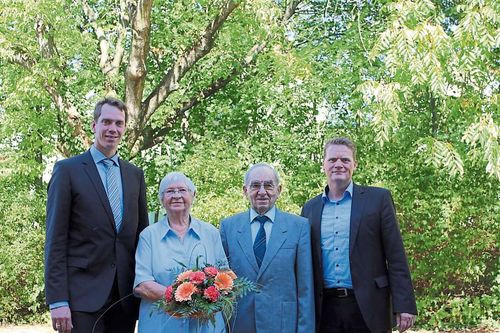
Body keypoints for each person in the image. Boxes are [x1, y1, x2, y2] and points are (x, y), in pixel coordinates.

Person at [44, 97, 149, 333]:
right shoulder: (68, 171)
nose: (113, 129)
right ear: (94, 125)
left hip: (124, 299)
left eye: (119, 123)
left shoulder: (135, 176)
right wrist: (58, 300)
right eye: (106, 122)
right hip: (81, 298)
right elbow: (55, 240)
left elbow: (142, 238)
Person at [301, 137, 417, 333]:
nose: (339, 164)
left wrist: (404, 304)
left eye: (345, 160)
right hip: (324, 309)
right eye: (332, 160)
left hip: (369, 306)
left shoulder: (378, 199)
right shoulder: (310, 208)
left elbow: (396, 255)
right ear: (324, 164)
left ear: (355, 164)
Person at [220, 163, 315, 333]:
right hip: (240, 324)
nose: (262, 191)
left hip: (283, 325)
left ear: (278, 190)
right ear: (245, 190)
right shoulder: (228, 227)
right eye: (255, 185)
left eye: (268, 185)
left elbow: (305, 289)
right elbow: (221, 282)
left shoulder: (299, 227)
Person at [134, 172, 227, 333]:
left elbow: (226, 278)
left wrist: (205, 298)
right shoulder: (148, 236)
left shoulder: (211, 233)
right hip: (161, 326)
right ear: (161, 199)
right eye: (170, 191)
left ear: (193, 195)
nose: (176, 196)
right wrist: (182, 297)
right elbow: (142, 285)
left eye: (182, 190)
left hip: (204, 326)